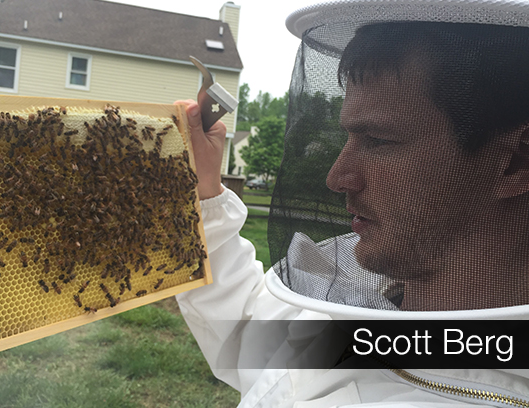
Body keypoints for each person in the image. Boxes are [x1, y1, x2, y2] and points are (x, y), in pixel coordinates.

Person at [174, 0, 529, 406]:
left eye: (378, 140)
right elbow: (254, 340)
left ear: (516, 160)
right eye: (350, 139)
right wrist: (204, 197)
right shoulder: (370, 301)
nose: (337, 178)